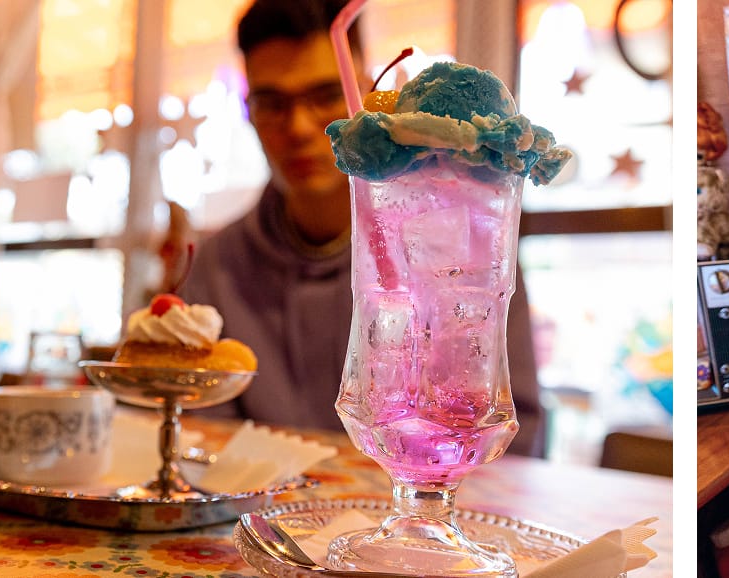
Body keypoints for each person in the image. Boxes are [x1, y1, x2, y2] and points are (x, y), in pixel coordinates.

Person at [179, 0, 546, 456]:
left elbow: (517, 428)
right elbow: (204, 432)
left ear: (362, 94)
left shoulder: (458, 250)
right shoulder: (218, 266)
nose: (296, 127)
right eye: (271, 104)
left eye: (325, 95)